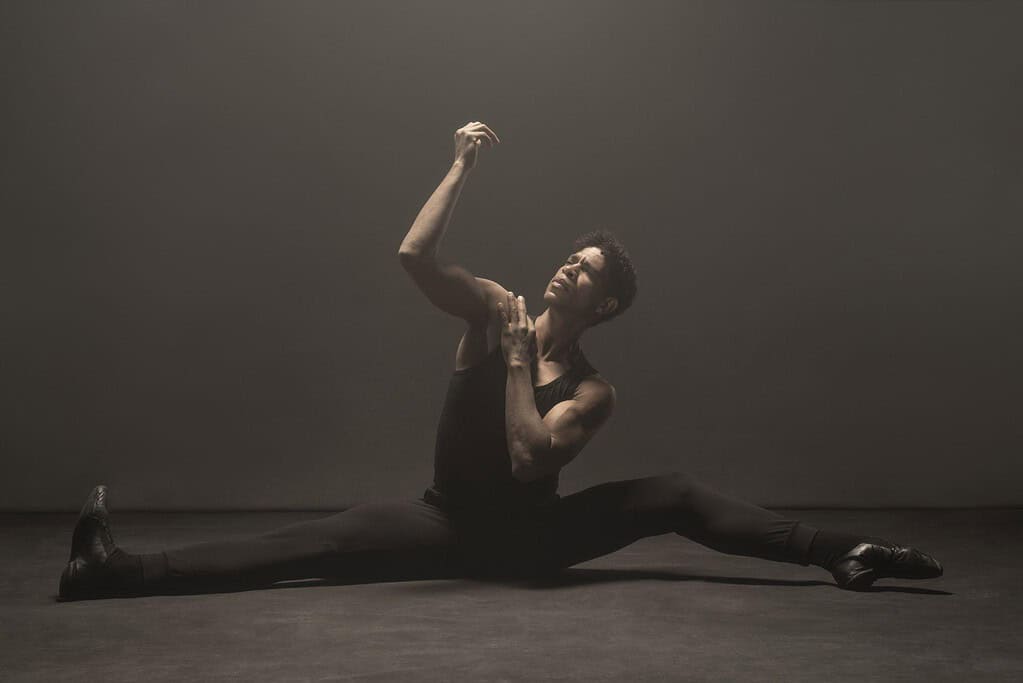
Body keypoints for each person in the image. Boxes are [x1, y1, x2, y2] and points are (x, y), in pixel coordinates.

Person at [58, 121, 943, 601]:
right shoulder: (492, 311)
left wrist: (522, 366)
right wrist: (458, 169)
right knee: (314, 540)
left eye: (589, 271)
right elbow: (412, 257)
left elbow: (529, 459)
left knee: (671, 492)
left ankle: (843, 551)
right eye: (573, 255)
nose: (570, 265)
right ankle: (113, 571)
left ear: (605, 305)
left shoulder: (591, 391)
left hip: (534, 542)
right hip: (447, 521)